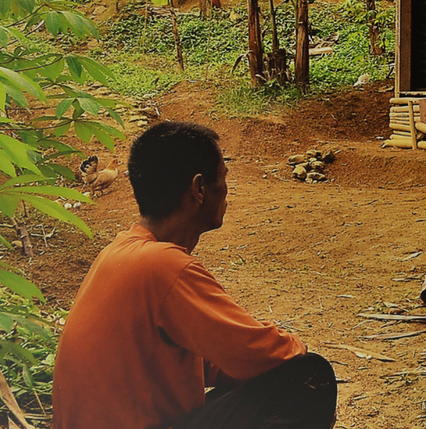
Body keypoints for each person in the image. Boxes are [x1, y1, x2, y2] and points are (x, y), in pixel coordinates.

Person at [54, 121, 337, 429]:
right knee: (309, 374)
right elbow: (258, 351)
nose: (226, 191)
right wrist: (295, 349)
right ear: (199, 189)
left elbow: (210, 362)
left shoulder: (120, 251)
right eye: (224, 178)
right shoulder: (163, 265)